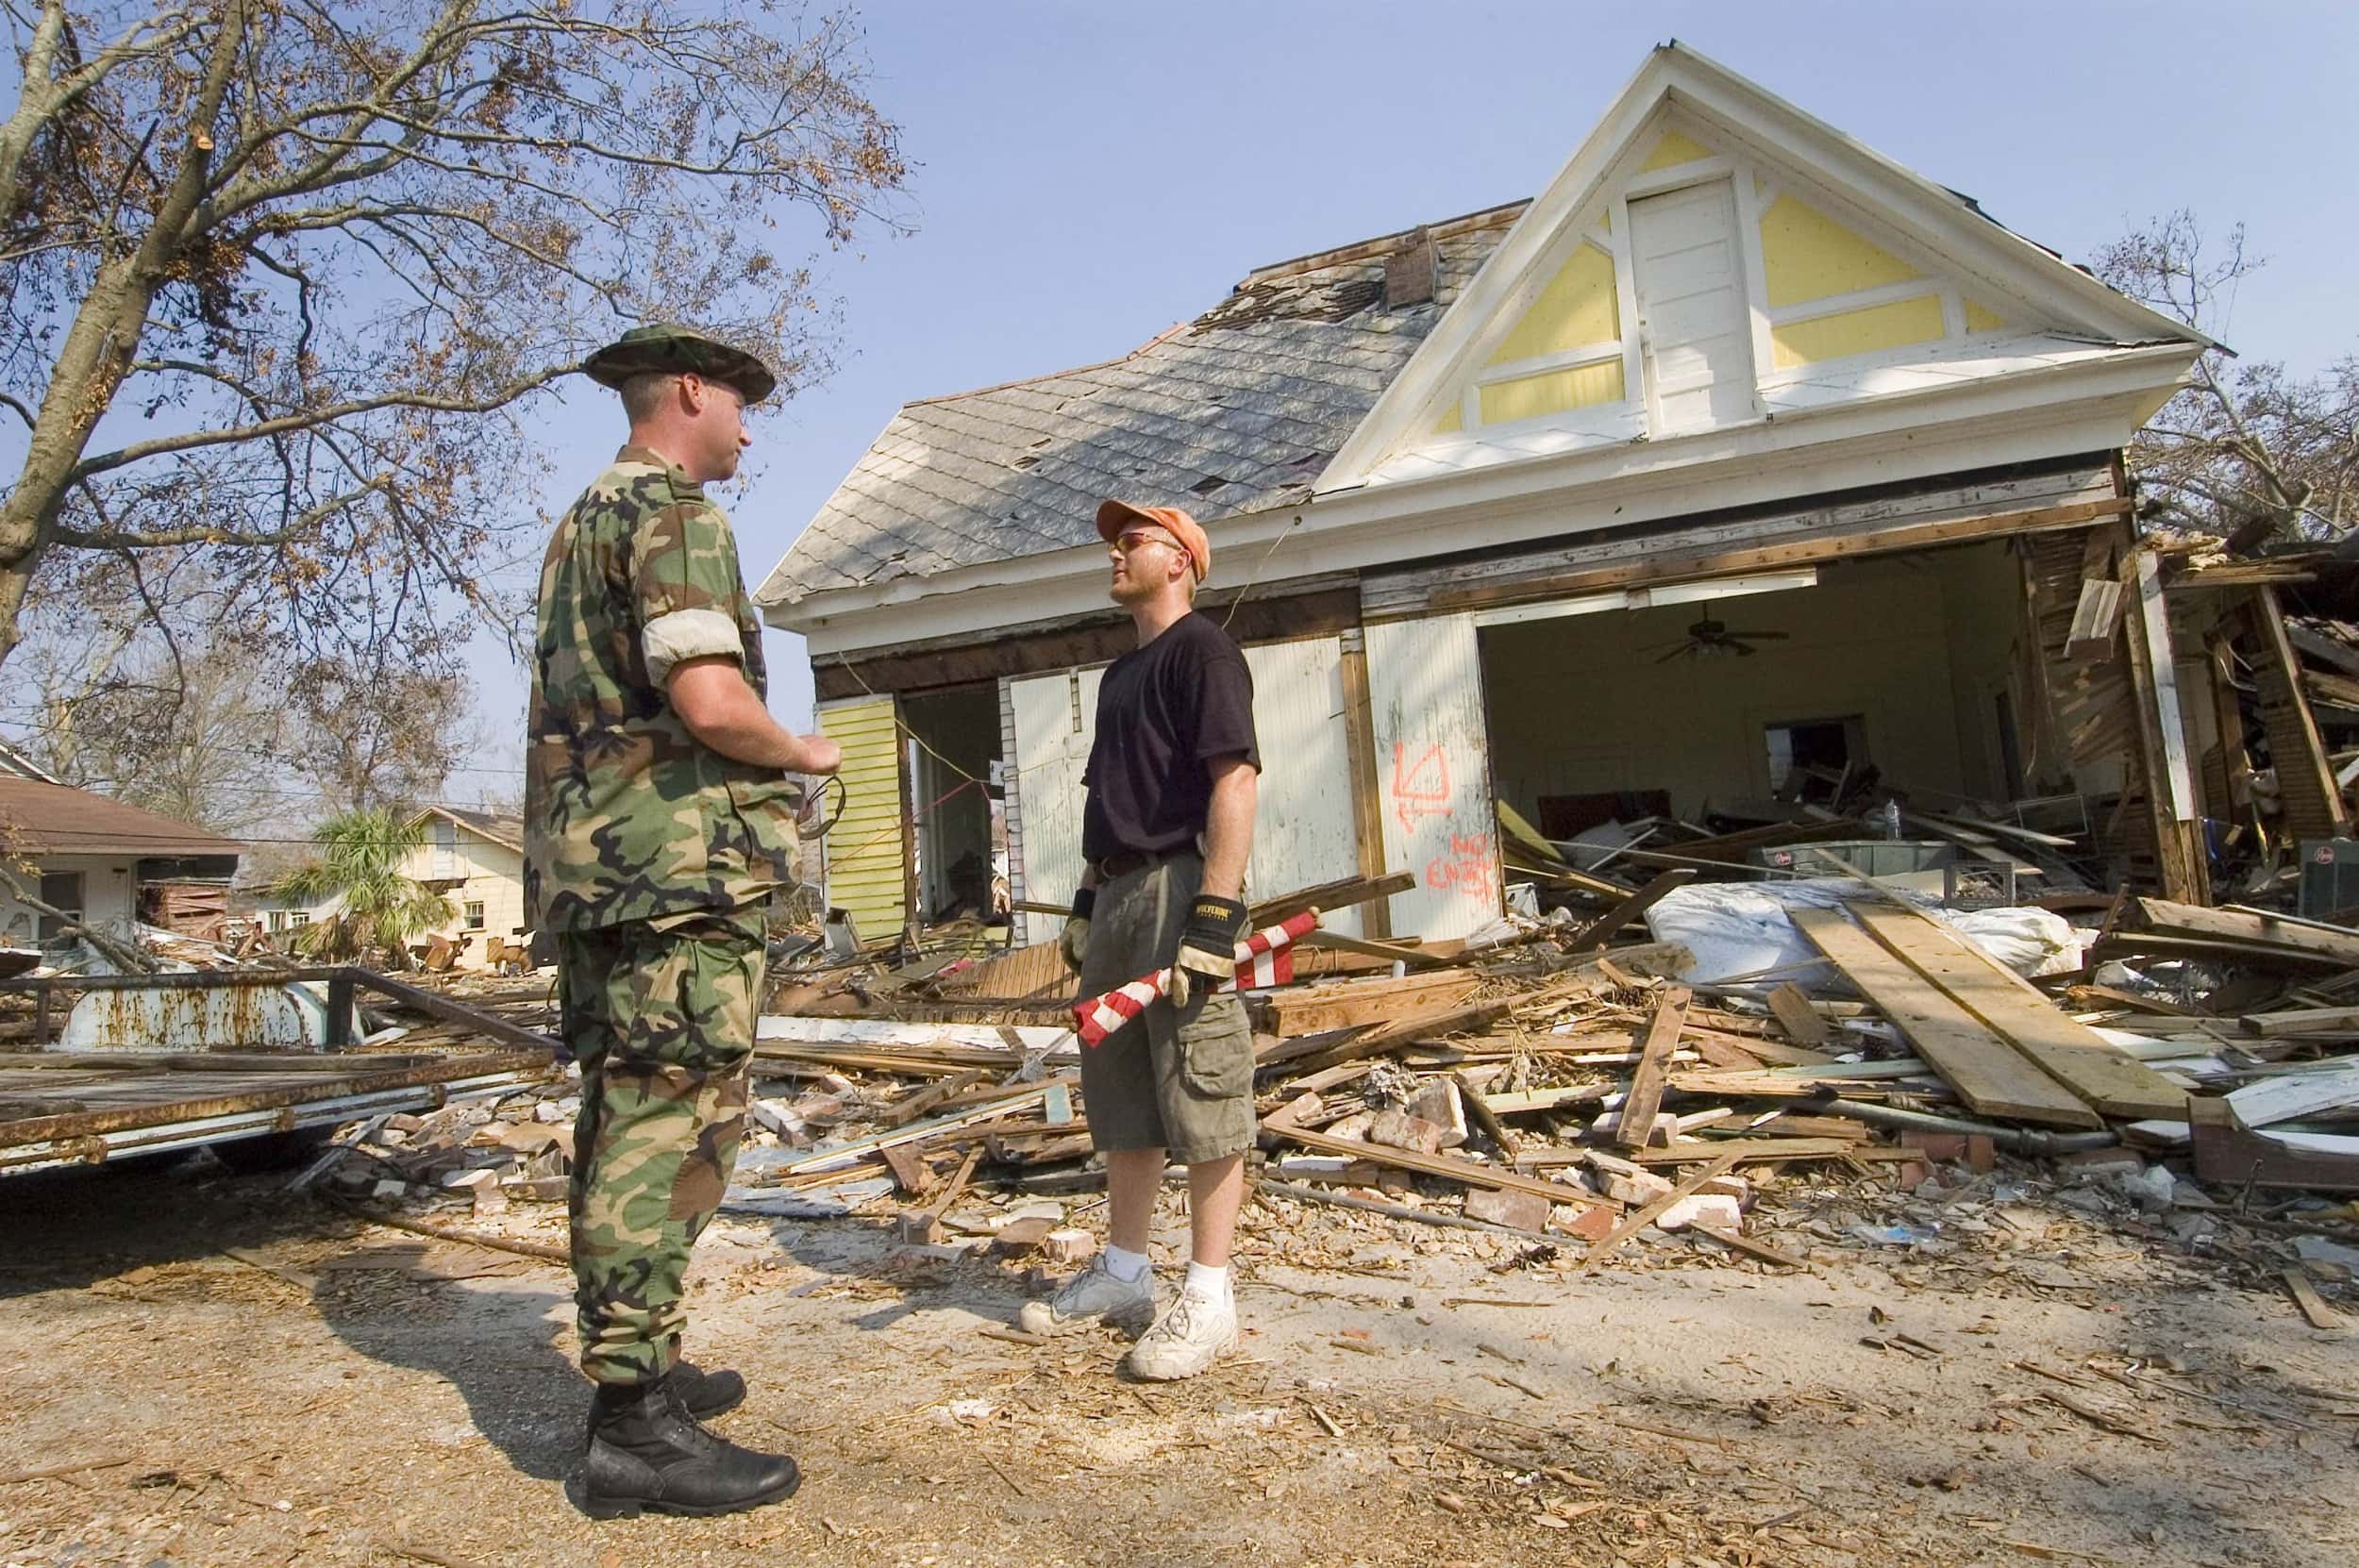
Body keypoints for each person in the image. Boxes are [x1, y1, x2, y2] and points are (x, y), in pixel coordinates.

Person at [525, 324, 843, 1518]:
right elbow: (710, 698)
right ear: (692, 395)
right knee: (666, 1132)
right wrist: (798, 748)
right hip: (677, 884)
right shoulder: (675, 515)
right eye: (742, 409)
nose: (750, 432)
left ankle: (643, 1368)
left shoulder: (580, 525)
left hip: (602, 881)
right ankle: (631, 1430)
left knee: (627, 1118)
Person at [1018, 498, 1261, 1381]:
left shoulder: (1205, 651)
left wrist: (1215, 912)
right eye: (1115, 542)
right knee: (1119, 1085)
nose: (1115, 554)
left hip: (1177, 883)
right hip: (1118, 889)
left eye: (1133, 542)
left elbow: (1234, 780)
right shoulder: (1123, 675)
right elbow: (1103, 803)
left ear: (1182, 561)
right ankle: (1124, 1272)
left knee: (1199, 1075)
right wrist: (1085, 902)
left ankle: (1208, 1295)